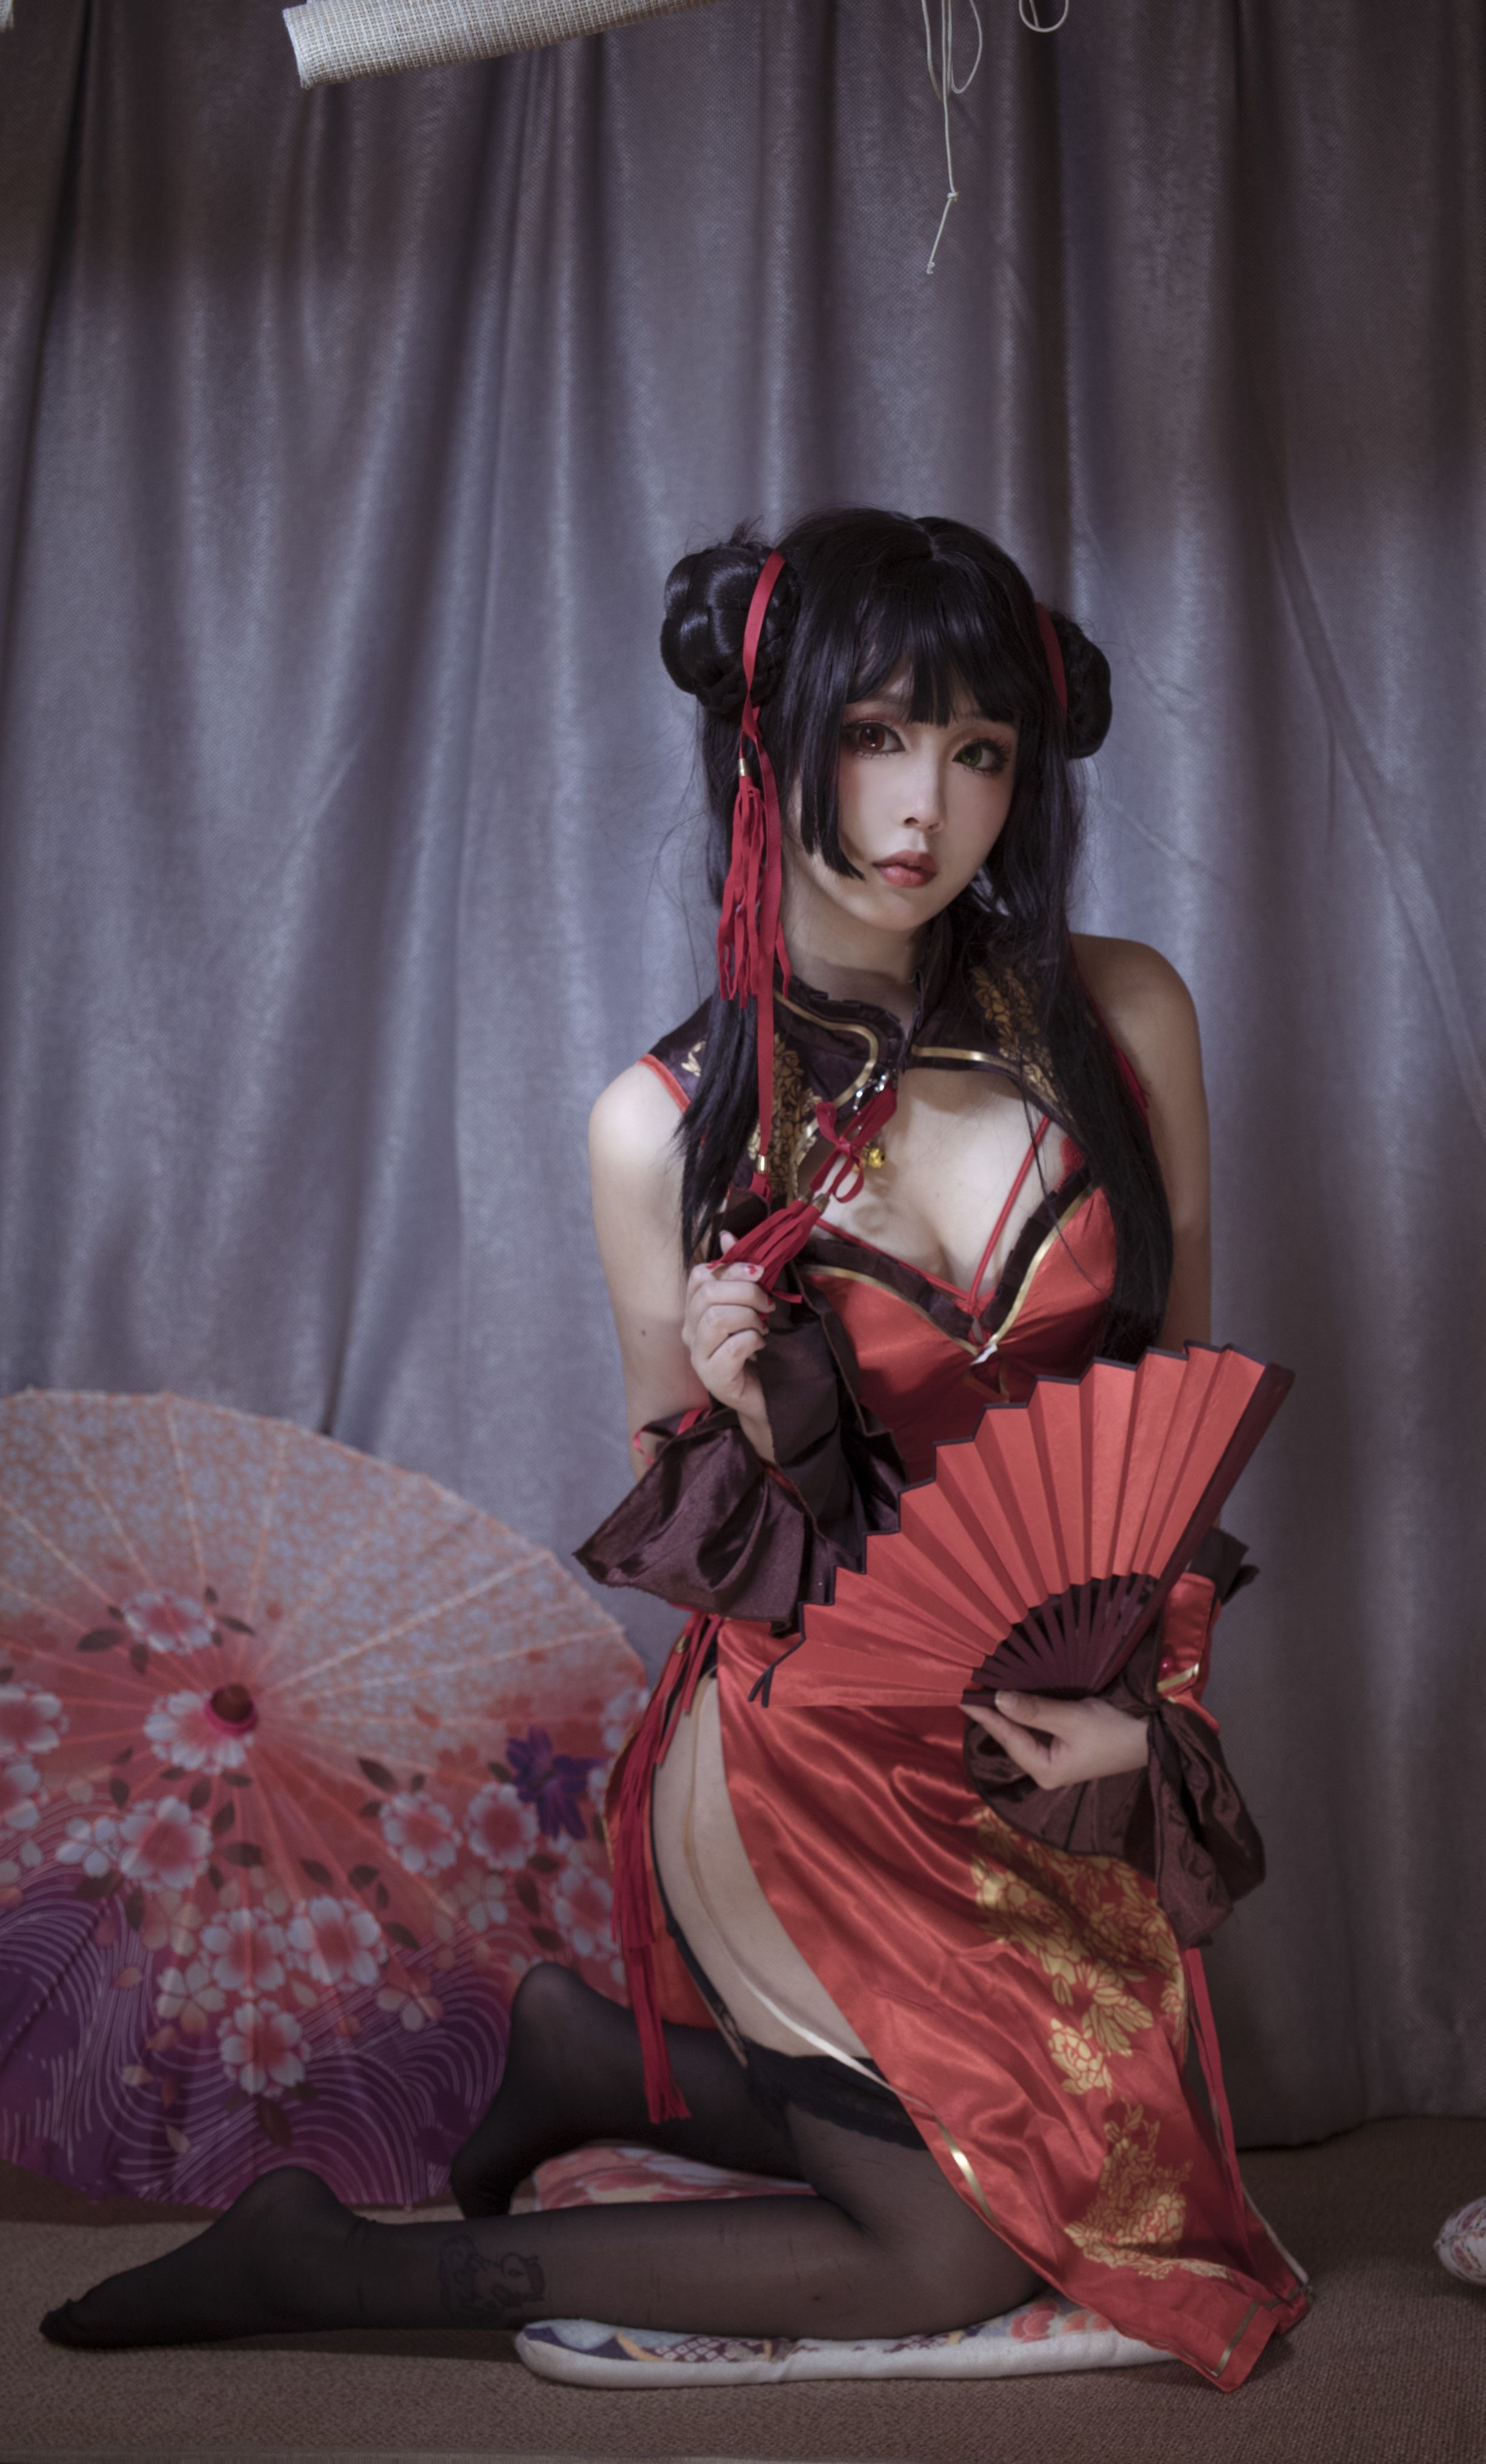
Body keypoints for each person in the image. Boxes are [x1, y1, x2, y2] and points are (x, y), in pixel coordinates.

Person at [41, 509, 1305, 2389]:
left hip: (1057, 1707)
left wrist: (1159, 1720)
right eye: (873, 737)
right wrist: (750, 1407)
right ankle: (327, 2267)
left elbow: (1171, 1422)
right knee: (949, 2247)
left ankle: (582, 2056)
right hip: (813, 1729)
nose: (921, 810)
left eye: (978, 754)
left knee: (1125, 2182)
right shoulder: (667, 1126)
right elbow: (705, 1539)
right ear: (764, 743)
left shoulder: (1121, 1019)